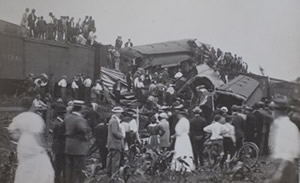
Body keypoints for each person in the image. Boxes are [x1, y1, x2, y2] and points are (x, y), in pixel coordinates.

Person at [8, 97, 54, 183]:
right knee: (40, 163)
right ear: (31, 106)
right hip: (33, 142)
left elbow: (12, 131)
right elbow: (38, 135)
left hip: (22, 143)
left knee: (24, 164)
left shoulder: (19, 117)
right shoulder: (36, 118)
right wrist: (43, 147)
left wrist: (21, 136)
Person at [268, 96, 300, 183]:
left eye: (272, 109)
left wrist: (279, 171)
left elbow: (289, 154)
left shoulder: (286, 126)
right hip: (280, 166)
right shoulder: (278, 124)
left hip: (285, 168)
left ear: (276, 111)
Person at [64, 100, 91, 183]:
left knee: (69, 169)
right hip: (79, 147)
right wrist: (87, 131)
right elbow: (83, 130)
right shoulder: (80, 119)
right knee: (79, 170)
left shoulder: (67, 117)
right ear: (81, 108)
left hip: (68, 145)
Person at [106, 107, 125, 177]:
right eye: (120, 113)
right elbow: (114, 132)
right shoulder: (114, 121)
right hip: (115, 143)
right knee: (115, 160)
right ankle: (114, 174)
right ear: (117, 113)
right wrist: (122, 136)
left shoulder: (112, 120)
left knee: (110, 159)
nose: (120, 114)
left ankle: (109, 173)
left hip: (111, 143)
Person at [51, 108, 66, 183]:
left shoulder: (58, 122)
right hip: (59, 146)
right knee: (58, 166)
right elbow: (60, 135)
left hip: (59, 146)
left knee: (59, 165)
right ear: (62, 114)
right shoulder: (58, 123)